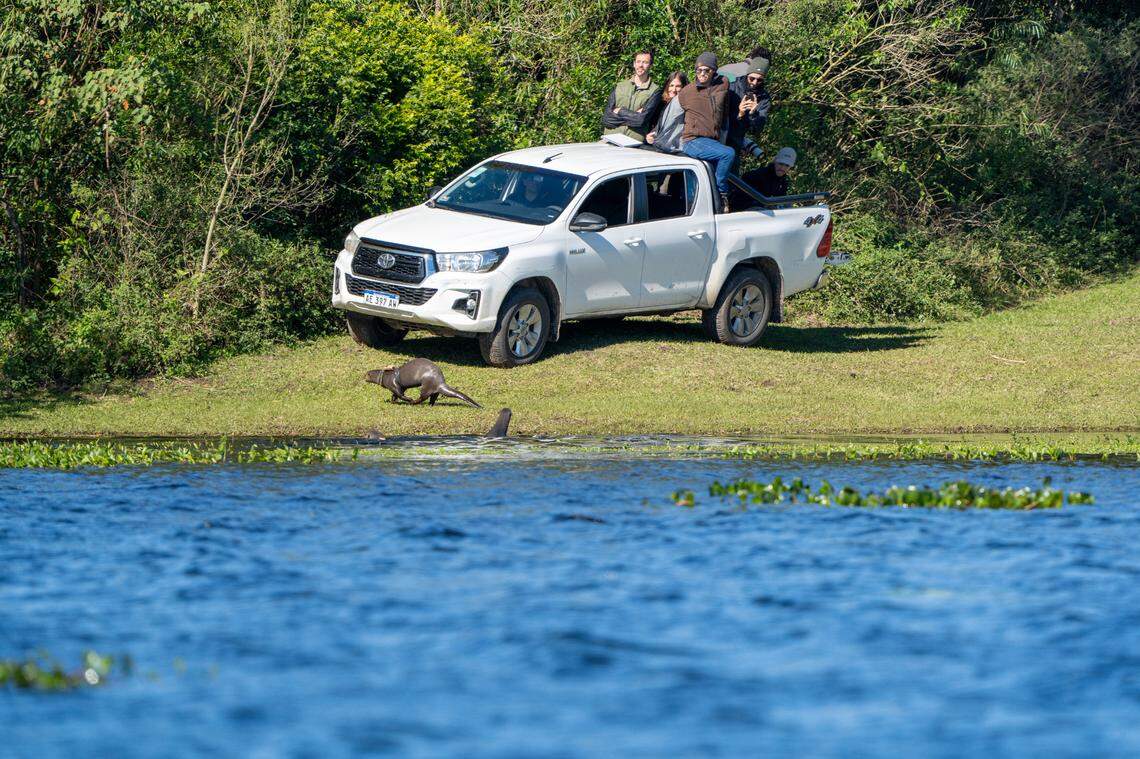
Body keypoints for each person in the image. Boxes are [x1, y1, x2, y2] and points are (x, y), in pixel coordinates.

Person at [677, 52, 735, 212]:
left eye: (707, 70)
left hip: (712, 142)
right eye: (699, 70)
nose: (702, 74)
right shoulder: (686, 92)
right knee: (728, 154)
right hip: (692, 141)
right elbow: (672, 115)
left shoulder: (723, 84)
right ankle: (722, 193)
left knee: (706, 175)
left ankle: (708, 206)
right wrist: (656, 133)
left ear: (714, 72)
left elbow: (730, 76)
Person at [602, 50, 662, 143]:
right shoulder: (619, 86)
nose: (640, 65)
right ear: (634, 64)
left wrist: (620, 111)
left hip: (634, 144)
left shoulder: (655, 91)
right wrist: (634, 115)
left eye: (645, 62)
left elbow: (641, 121)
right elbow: (606, 119)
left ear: (651, 65)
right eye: (638, 62)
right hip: (610, 140)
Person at [726, 58, 772, 166]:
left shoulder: (764, 99)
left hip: (737, 144)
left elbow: (756, 131)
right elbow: (720, 116)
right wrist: (740, 113)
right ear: (747, 75)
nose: (755, 83)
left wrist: (753, 113)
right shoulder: (732, 86)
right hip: (721, 137)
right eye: (752, 78)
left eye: (759, 80)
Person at [645, 71, 688, 153]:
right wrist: (651, 135)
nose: (674, 89)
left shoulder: (685, 107)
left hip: (676, 149)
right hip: (659, 146)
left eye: (678, 86)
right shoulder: (661, 104)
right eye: (671, 85)